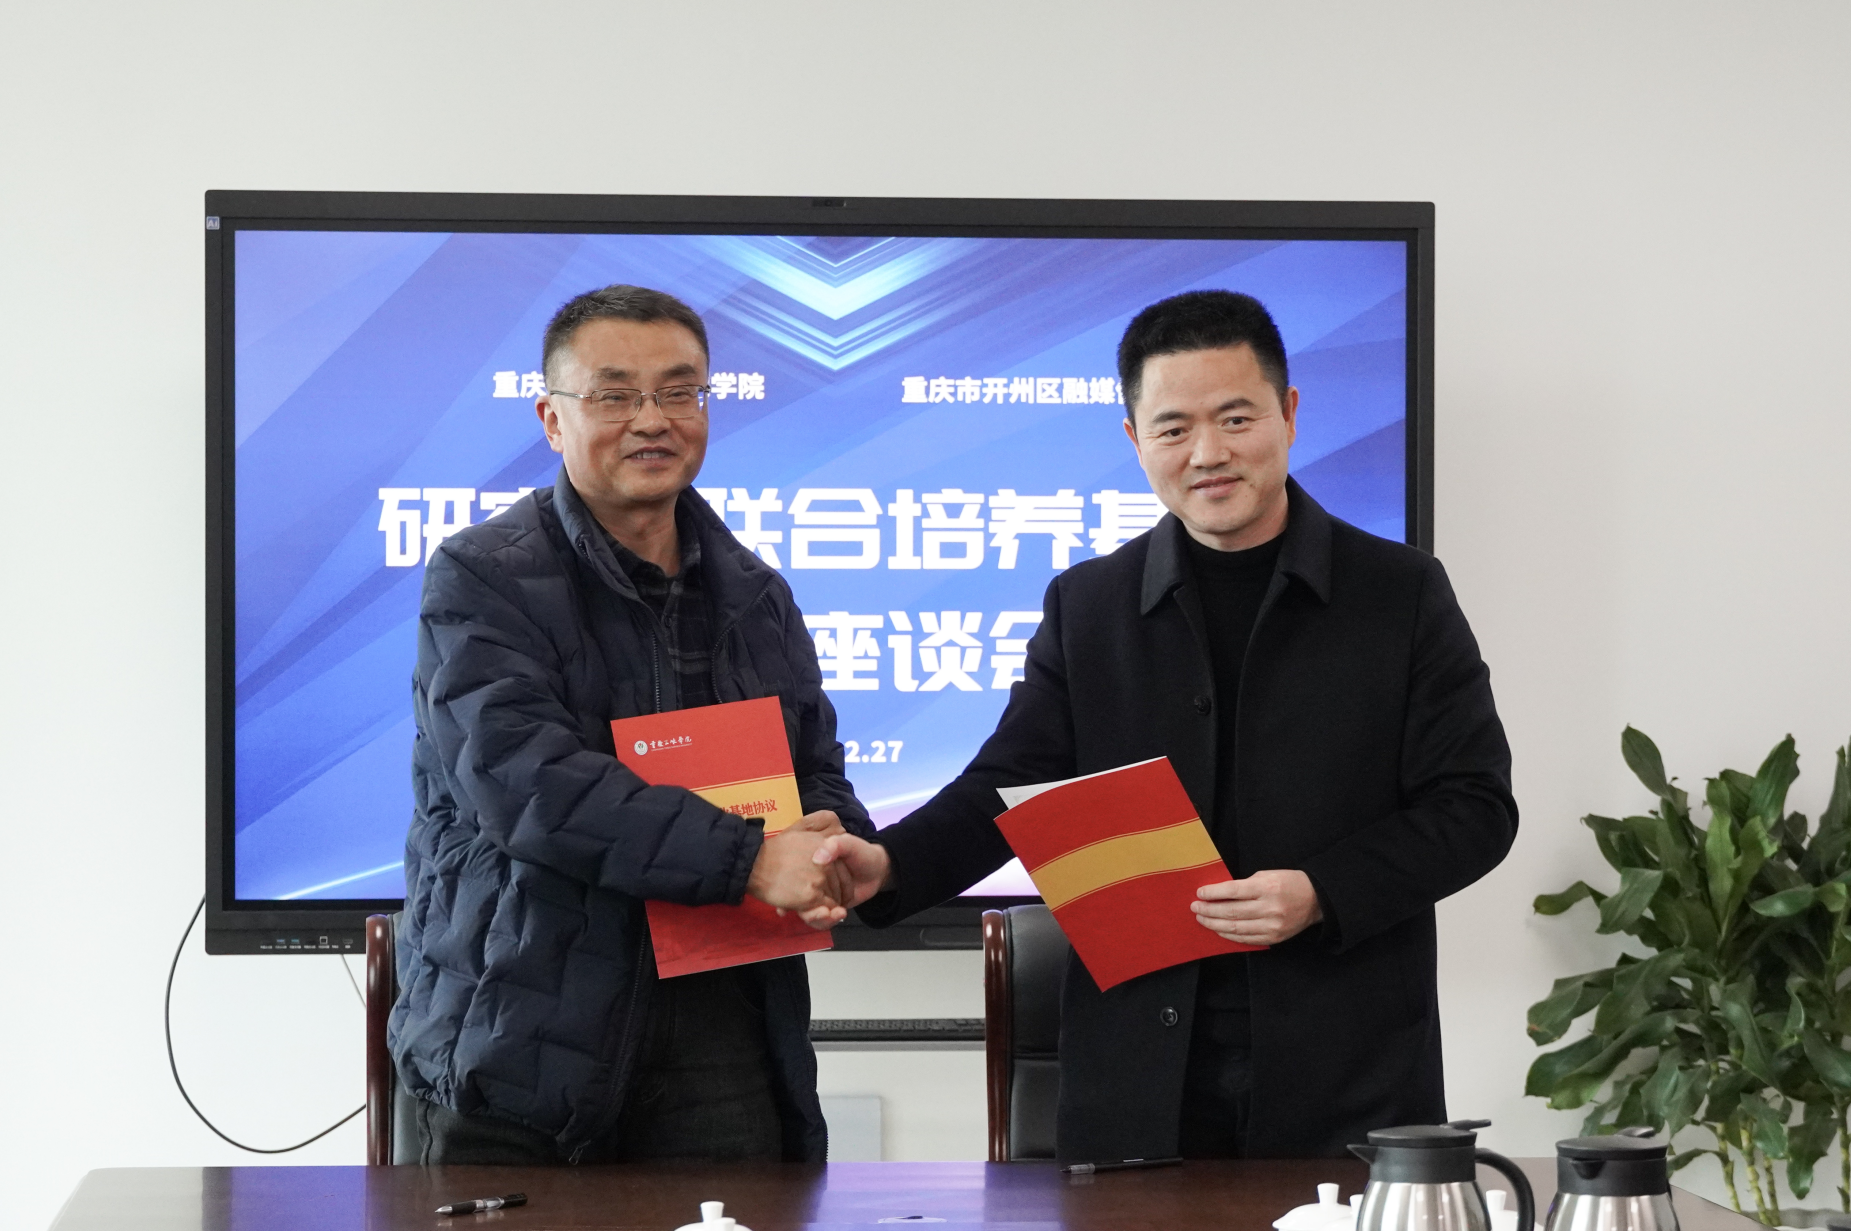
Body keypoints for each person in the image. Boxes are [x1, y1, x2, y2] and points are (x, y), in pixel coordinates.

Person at [816, 290, 1518, 1162]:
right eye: (1174, 428)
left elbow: (1474, 806)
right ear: (1134, 439)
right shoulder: (1090, 605)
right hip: (1140, 1081)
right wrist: (888, 865)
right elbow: (1005, 789)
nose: (1208, 453)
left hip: (1348, 1068)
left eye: (1236, 418)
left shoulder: (1399, 592)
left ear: (1290, 414)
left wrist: (1322, 891)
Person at [388, 284, 863, 1165]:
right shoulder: (481, 577)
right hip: (524, 1031)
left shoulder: (757, 594)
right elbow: (529, 785)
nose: (653, 419)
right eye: (614, 395)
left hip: (724, 1035)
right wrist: (752, 859)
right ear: (553, 418)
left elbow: (815, 769)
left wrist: (839, 846)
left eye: (680, 391)